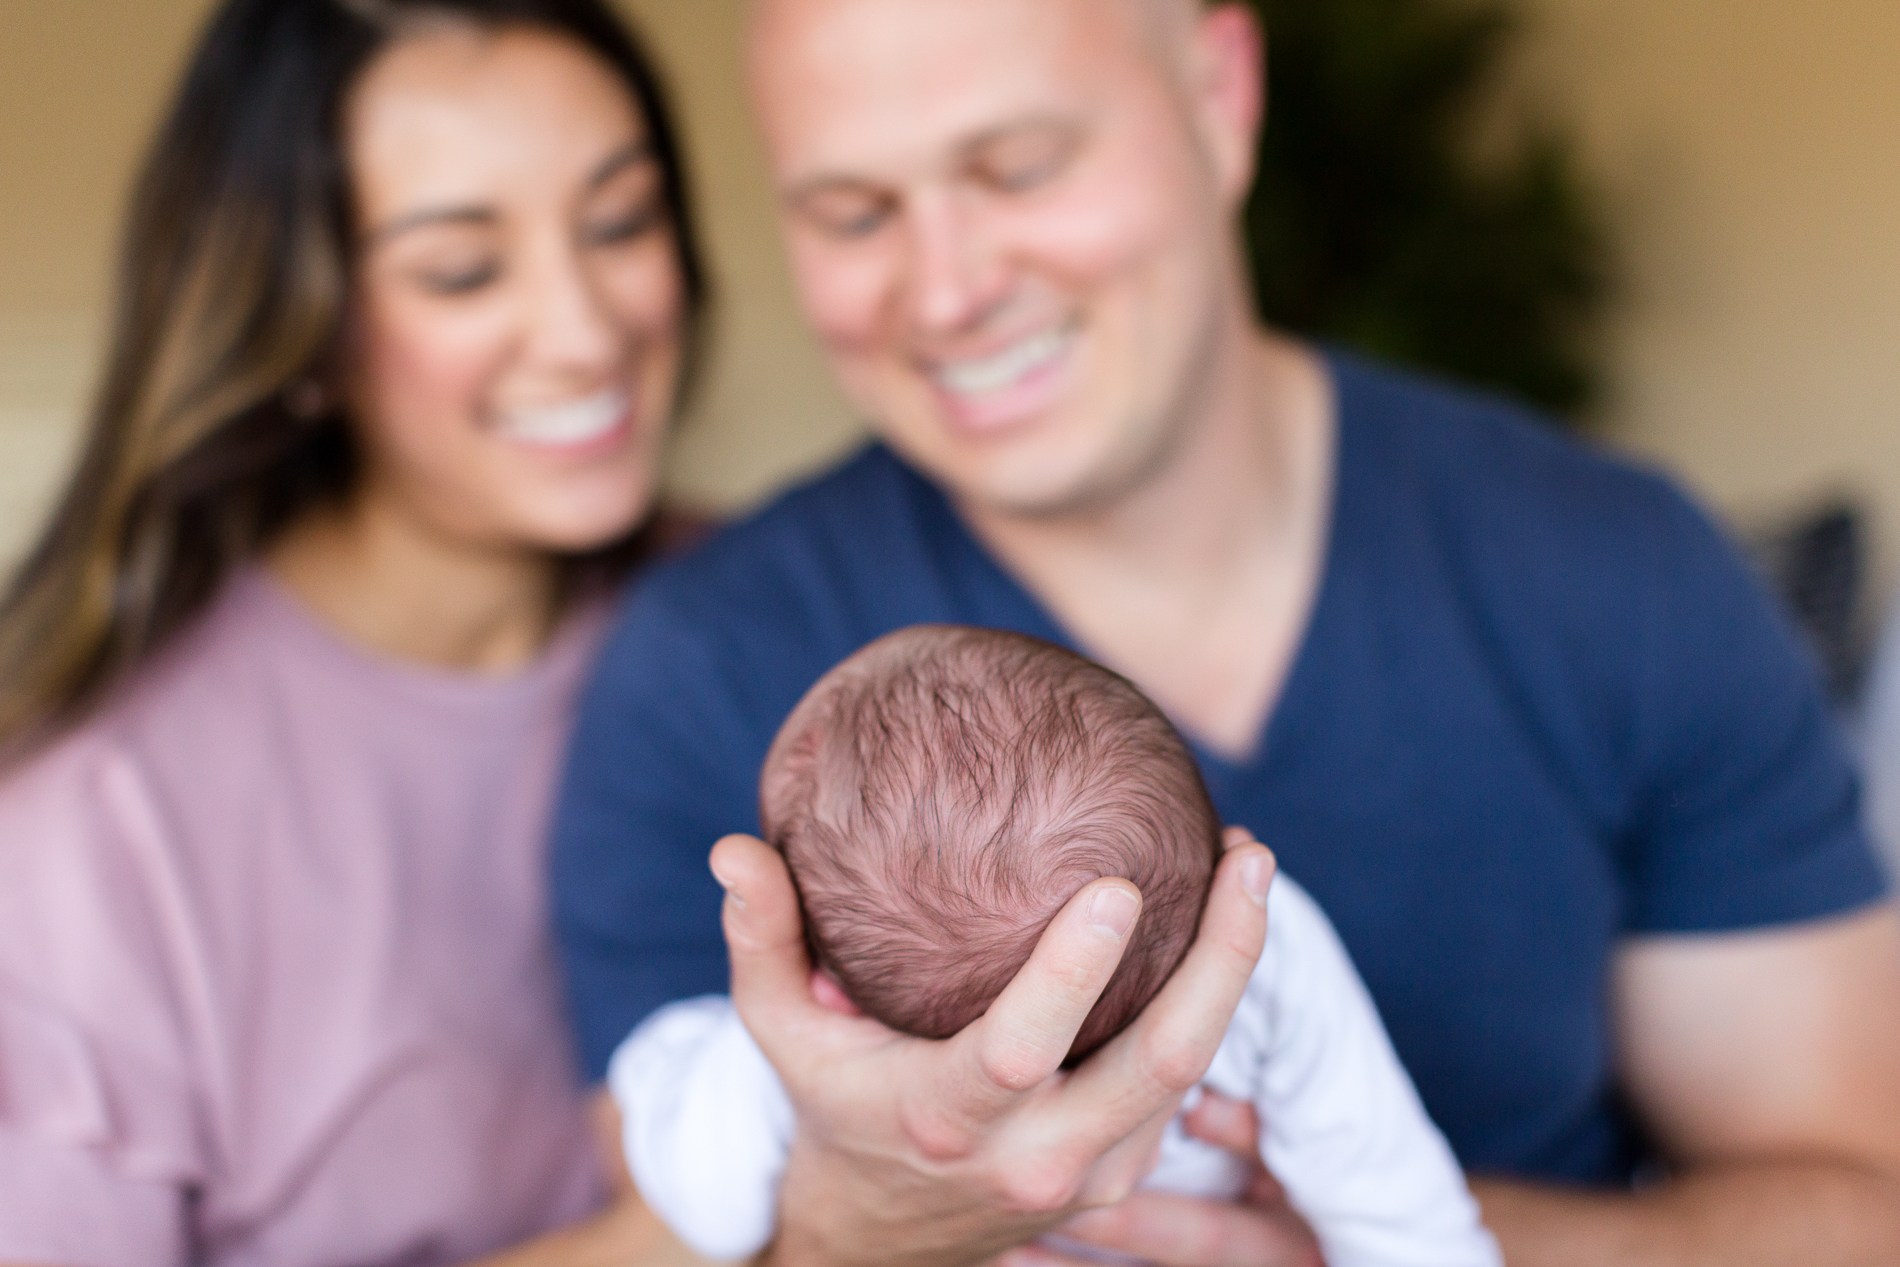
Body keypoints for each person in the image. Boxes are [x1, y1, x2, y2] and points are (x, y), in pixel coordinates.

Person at [553, 1, 1900, 1264]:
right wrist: (864, 1216)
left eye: (1019, 166)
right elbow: (679, 1190)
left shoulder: (1618, 571)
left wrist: (1370, 1220)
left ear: (1220, 92)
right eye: (853, 213)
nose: (947, 289)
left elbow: (1858, 1206)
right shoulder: (710, 665)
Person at [0, 0, 707, 1262]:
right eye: (461, 269)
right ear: (304, 327)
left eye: (619, 222)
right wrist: (724, 1237)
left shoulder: (767, 613)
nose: (588, 328)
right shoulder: (92, 828)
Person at [611, 625, 1501, 1267]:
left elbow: (711, 1208)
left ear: (829, 990)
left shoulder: (810, 1072)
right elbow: (1403, 1208)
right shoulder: (1272, 943)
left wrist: (716, 1046)